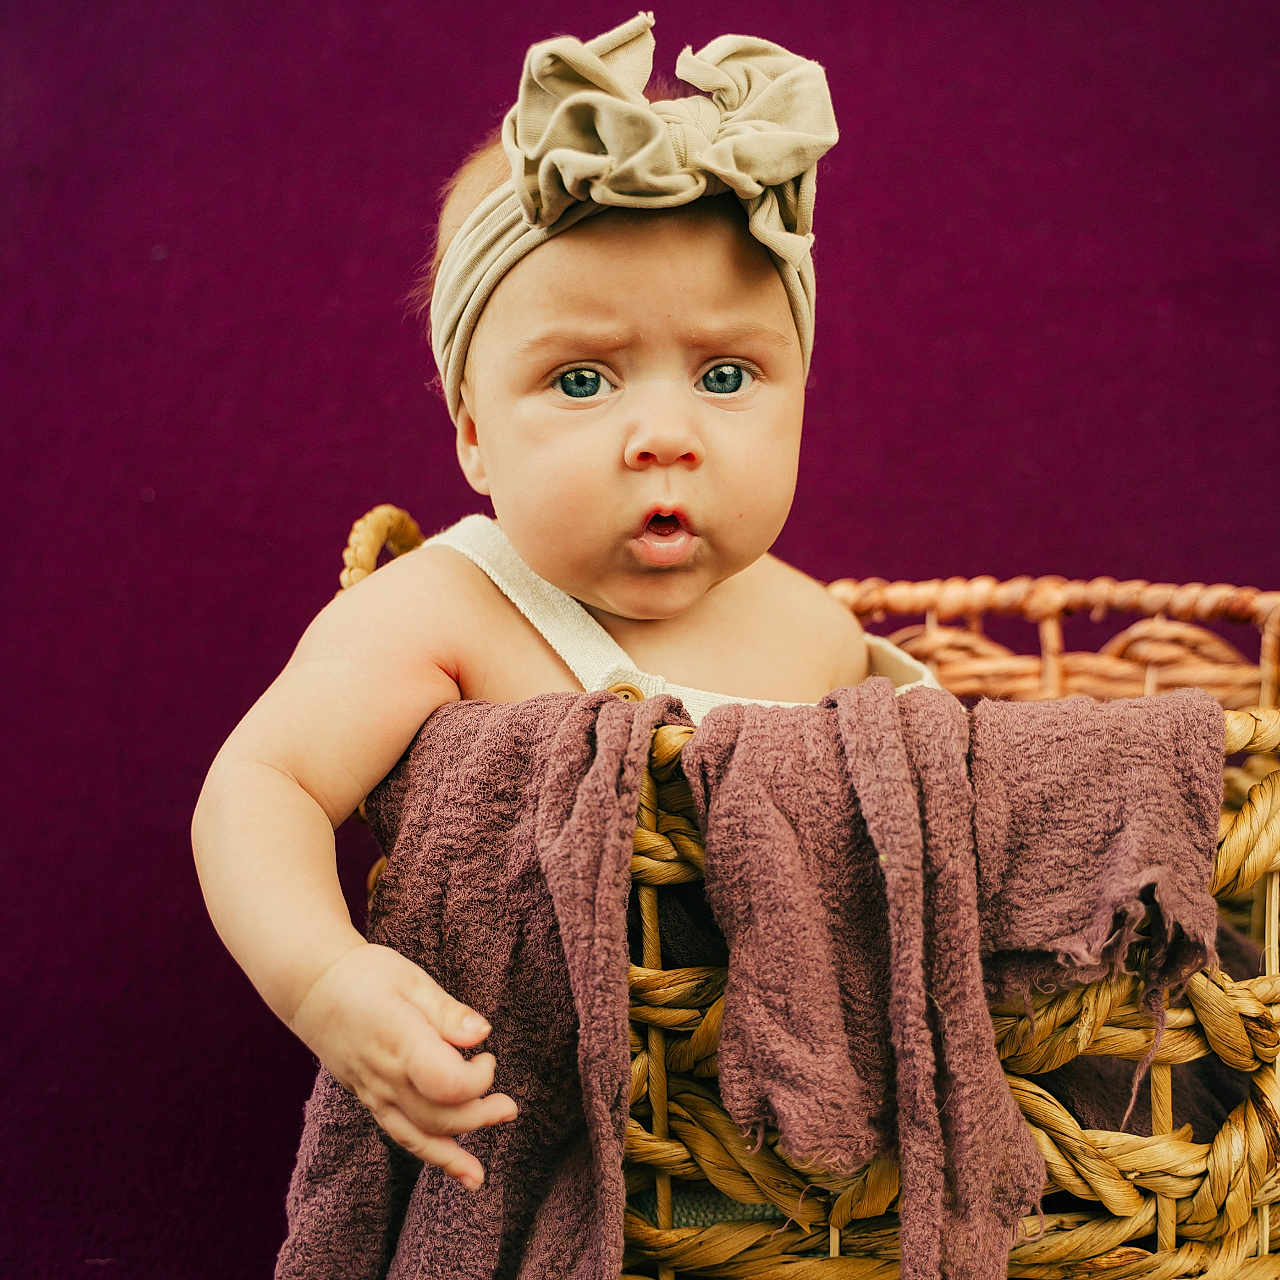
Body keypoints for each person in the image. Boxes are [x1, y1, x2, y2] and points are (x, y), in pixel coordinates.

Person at [190, 10, 939, 1209]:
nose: (662, 435)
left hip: (801, 1171)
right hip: (574, 1146)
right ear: (475, 432)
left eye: (725, 374)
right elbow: (259, 785)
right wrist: (327, 981)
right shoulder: (444, 606)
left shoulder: (816, 627)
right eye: (581, 380)